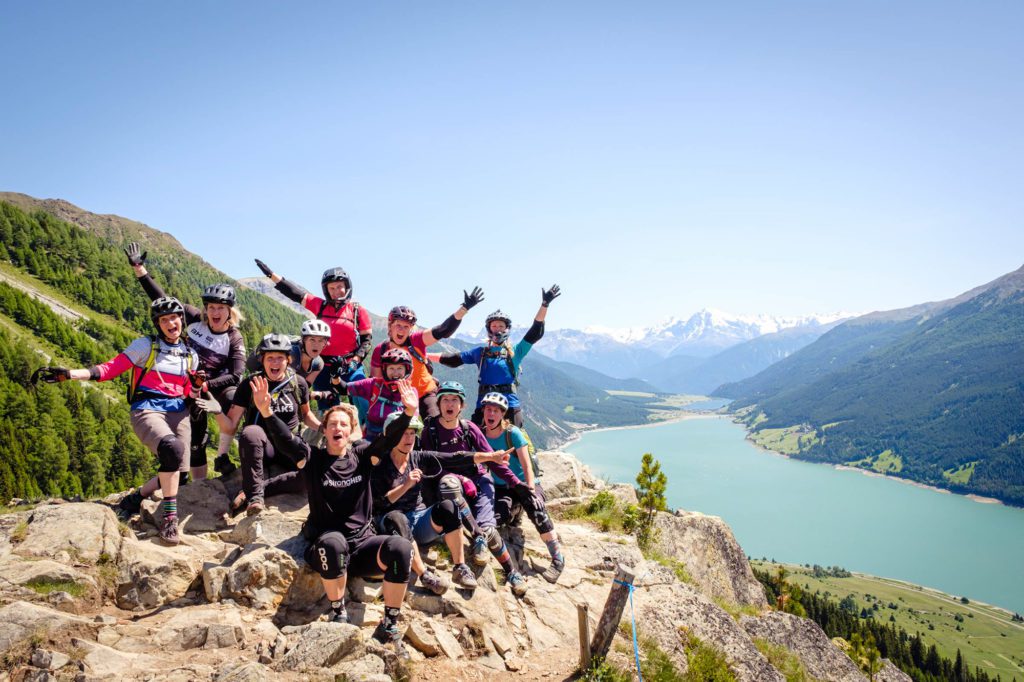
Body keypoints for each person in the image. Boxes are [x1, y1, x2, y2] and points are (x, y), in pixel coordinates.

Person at [252, 377, 420, 655]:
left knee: (400, 547)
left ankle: (389, 624)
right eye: (332, 424)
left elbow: (388, 439)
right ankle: (337, 610)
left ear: (352, 430)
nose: (337, 428)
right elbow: (286, 441)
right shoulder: (313, 458)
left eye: (343, 424)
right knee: (334, 543)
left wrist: (409, 412)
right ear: (324, 430)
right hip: (328, 547)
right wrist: (267, 413)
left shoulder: (364, 455)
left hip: (363, 547)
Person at [33, 298, 200, 545]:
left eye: (174, 318)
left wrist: (196, 388)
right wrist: (70, 374)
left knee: (181, 474)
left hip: (179, 411)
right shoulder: (146, 346)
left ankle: (135, 498)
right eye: (163, 320)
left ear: (181, 320)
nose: (170, 323)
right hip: (147, 409)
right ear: (158, 324)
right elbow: (112, 368)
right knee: (172, 449)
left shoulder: (190, 354)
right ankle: (169, 520)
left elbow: (188, 391)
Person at [124, 242, 246, 480]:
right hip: (182, 384)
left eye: (221, 308)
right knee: (187, 436)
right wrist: (140, 269)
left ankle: (217, 462)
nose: (215, 312)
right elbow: (161, 299)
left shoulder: (233, 336)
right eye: (211, 307)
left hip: (210, 387)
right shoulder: (192, 318)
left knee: (227, 405)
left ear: (229, 311)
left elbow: (236, 375)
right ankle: (187, 483)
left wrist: (205, 385)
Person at [374, 410, 511, 593]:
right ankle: (425, 576)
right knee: (397, 517)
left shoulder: (418, 457)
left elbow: (455, 458)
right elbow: (379, 503)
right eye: (403, 433)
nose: (408, 438)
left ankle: (460, 567)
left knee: (449, 506)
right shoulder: (380, 464)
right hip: (391, 522)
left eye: (412, 433)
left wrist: (491, 457)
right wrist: (405, 486)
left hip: (418, 518)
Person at [419, 381, 530, 597]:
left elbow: (493, 460)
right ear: (439, 404)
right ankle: (478, 535)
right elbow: (431, 466)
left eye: (454, 400)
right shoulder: (430, 431)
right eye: (445, 400)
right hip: (449, 489)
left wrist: (517, 484)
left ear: (461, 405)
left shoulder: (470, 429)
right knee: (449, 483)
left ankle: (512, 572)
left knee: (489, 523)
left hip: (478, 484)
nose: (449, 405)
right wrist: (460, 477)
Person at [253, 260, 371, 418]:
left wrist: (355, 361)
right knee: (328, 411)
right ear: (326, 290)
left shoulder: (357, 310)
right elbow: (295, 293)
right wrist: (272, 276)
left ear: (347, 286)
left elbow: (366, 341)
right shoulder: (320, 306)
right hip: (323, 367)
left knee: (364, 401)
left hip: (350, 366)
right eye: (332, 288)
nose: (337, 291)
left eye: (340, 286)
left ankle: (368, 437)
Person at [434, 285, 561, 427]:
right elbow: (453, 359)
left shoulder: (516, 351)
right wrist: (423, 355)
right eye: (494, 326)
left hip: (510, 406)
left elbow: (535, 332)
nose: (498, 330)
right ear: (489, 330)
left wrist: (545, 305)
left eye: (501, 326)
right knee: (476, 443)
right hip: (484, 406)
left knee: (515, 443)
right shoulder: (480, 352)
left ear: (507, 329)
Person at [225, 334, 320, 515]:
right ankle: (255, 499)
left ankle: (255, 490)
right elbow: (232, 421)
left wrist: (323, 428)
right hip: (262, 447)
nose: (275, 363)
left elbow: (306, 415)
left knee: (310, 472)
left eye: (280, 358)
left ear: (288, 360)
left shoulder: (298, 383)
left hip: (288, 444)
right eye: (270, 358)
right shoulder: (250, 384)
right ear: (262, 360)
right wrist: (216, 412)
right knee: (251, 432)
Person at [480, 392, 565, 583]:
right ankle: (515, 512)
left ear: (503, 414)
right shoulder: (481, 435)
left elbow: (527, 466)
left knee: (537, 511)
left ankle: (558, 558)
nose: (491, 414)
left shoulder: (512, 433)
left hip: (524, 483)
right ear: (483, 412)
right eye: (488, 410)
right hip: (501, 487)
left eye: (495, 410)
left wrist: (532, 492)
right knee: (497, 518)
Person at [370, 287, 483, 418]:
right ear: (390, 326)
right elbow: (375, 382)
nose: (402, 330)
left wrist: (464, 308)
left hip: (425, 393)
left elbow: (442, 330)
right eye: (398, 325)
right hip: (397, 398)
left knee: (435, 427)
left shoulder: (416, 340)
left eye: (406, 327)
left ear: (411, 328)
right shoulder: (381, 350)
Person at [331, 347, 415, 440]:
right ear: (384, 370)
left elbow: (412, 426)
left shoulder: (411, 393)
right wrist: (335, 376)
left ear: (407, 370)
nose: (395, 372)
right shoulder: (374, 384)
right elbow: (344, 389)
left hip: (397, 443)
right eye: (391, 368)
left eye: (399, 368)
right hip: (371, 441)